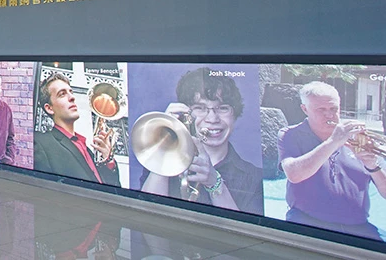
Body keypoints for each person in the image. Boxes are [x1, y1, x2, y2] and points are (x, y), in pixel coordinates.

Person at [137, 67, 262, 213]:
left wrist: (214, 182)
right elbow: (145, 216)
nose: (212, 119)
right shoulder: (159, 158)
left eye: (223, 108)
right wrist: (168, 136)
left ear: (235, 115)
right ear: (186, 113)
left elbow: (243, 227)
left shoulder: (254, 178)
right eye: (200, 108)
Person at [279, 81, 386, 241]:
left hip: (358, 225)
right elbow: (294, 174)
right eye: (321, 110)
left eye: (333, 109)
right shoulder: (290, 134)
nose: (329, 115)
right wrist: (333, 141)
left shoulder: (358, 137)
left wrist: (372, 166)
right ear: (305, 109)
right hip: (307, 221)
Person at [33, 73, 120, 185]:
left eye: (71, 92)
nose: (72, 97)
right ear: (49, 108)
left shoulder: (88, 150)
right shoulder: (40, 141)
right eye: (62, 94)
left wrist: (108, 161)